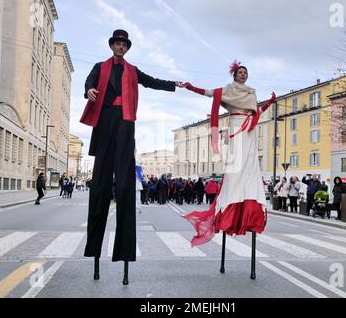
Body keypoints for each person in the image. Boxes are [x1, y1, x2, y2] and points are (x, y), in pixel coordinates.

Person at [80, 29, 183, 285]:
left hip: (125, 123)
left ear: (126, 48)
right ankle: (94, 250)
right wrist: (90, 91)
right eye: (117, 43)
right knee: (101, 185)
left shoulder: (133, 70)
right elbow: (89, 83)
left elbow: (151, 81)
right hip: (104, 121)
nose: (120, 47)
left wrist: (174, 84)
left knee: (125, 184)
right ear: (112, 45)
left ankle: (124, 251)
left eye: (123, 45)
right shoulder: (99, 66)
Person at [182, 61, 276, 279]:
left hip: (249, 130)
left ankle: (248, 205)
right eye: (240, 72)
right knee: (235, 166)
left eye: (246, 72)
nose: (243, 75)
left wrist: (270, 102)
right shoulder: (227, 90)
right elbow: (208, 93)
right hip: (236, 126)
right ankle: (230, 207)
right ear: (235, 75)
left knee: (250, 166)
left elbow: (257, 111)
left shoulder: (251, 92)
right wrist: (190, 87)